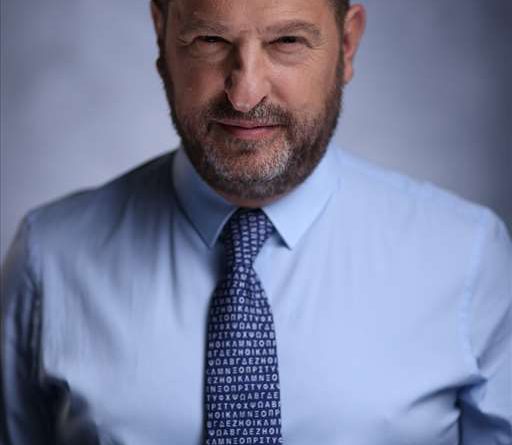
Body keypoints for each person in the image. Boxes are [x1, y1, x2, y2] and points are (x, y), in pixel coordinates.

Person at [1, 0, 511, 444]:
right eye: (209, 39)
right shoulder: (50, 258)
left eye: (287, 41)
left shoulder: (467, 258)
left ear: (347, 44)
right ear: (161, 36)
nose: (245, 94)